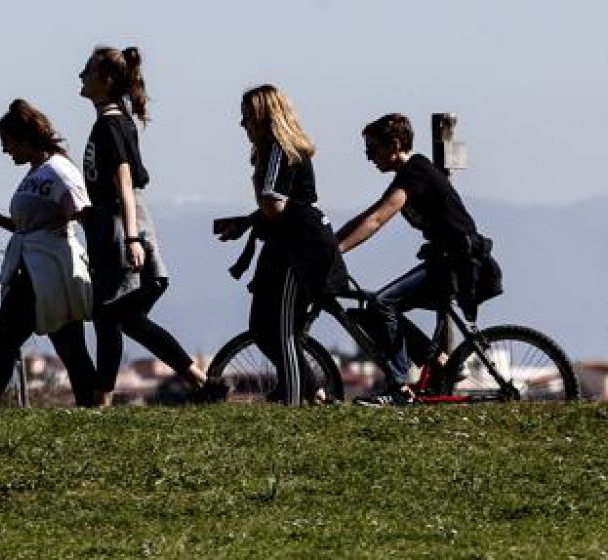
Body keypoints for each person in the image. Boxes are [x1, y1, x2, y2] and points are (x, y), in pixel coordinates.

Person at [77, 45, 225, 405]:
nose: (80, 76)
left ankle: (103, 400)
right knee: (121, 318)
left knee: (111, 315)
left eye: (87, 70)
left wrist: (131, 239)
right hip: (112, 224)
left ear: (106, 79)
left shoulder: (111, 125)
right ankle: (201, 382)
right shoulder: (111, 122)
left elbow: (124, 184)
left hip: (119, 226)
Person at [335, 112, 502, 406]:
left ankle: (399, 387)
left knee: (381, 303)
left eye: (372, 149)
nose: (368, 157)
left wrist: (336, 252)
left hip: (458, 263)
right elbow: (369, 214)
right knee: (376, 310)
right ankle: (438, 360)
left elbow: (376, 219)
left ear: (395, 145)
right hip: (448, 261)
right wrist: (330, 244)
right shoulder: (410, 173)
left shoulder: (416, 172)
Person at [215, 85, 347, 403]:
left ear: (263, 117)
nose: (242, 124)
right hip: (287, 245)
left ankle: (293, 397)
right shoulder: (275, 152)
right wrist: (246, 222)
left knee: (282, 328)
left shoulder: (279, 150)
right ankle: (311, 389)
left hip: (300, 253)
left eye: (247, 117)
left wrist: (257, 182)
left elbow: (275, 205)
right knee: (262, 326)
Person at [0, 99, 98, 409]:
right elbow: (36, 222)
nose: (5, 150)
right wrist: (0, 220)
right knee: (69, 346)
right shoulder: (36, 172)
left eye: (8, 143)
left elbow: (82, 213)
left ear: (25, 139)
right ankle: (92, 405)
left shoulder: (57, 171)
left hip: (47, 272)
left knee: (3, 342)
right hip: (33, 268)